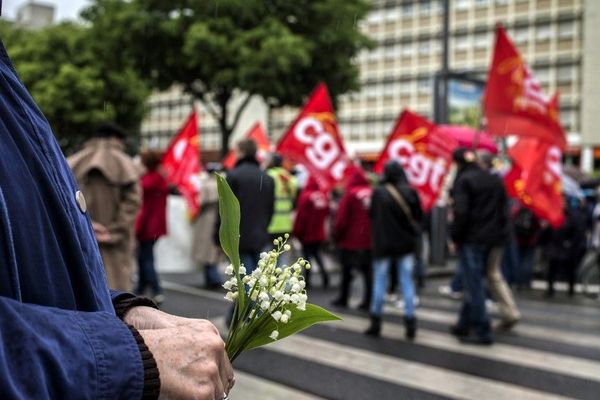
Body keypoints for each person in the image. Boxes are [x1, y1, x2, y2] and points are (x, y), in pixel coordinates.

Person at [0, 33, 233, 398]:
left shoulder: (23, 106)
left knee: (141, 271)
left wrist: (119, 309)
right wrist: (130, 356)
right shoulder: (125, 168)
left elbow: (27, 272)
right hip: (115, 240)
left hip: (95, 249)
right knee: (144, 265)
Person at [68, 122, 141, 291]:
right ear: (116, 138)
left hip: (80, 238)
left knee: (82, 291)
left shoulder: (74, 161)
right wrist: (113, 231)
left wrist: (86, 224)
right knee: (115, 293)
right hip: (114, 242)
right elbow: (132, 203)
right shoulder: (125, 164)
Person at [450, 148, 510, 345]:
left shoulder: (464, 181)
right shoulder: (495, 180)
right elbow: (504, 212)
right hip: (492, 239)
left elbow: (461, 213)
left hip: (472, 238)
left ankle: (483, 330)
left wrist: (455, 238)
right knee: (475, 281)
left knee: (474, 284)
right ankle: (464, 323)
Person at [365, 160, 423, 340]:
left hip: (383, 244)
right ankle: (410, 320)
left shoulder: (379, 192)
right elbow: (419, 216)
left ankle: (376, 321)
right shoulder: (410, 191)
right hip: (405, 244)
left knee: (380, 282)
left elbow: (371, 215)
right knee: (406, 282)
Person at [225, 138, 274, 273]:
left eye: (236, 151)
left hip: (239, 234)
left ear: (243, 152)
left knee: (244, 275)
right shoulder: (267, 177)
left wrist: (219, 234)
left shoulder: (233, 175)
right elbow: (271, 208)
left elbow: (225, 210)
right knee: (260, 277)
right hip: (260, 232)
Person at [332, 166, 373, 310]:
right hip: (369, 240)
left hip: (350, 241)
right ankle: (368, 301)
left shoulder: (350, 194)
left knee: (347, 271)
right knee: (368, 273)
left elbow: (341, 219)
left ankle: (344, 298)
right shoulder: (372, 193)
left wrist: (337, 235)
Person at [135, 149, 169, 303]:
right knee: (143, 257)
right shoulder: (161, 178)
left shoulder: (146, 181)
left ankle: (156, 289)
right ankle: (140, 287)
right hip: (156, 224)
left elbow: (143, 207)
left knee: (146, 258)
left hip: (147, 224)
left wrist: (138, 226)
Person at [293, 175, 330, 289]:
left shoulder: (305, 196)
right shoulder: (322, 196)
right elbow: (327, 212)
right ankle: (325, 277)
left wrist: (297, 231)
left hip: (307, 233)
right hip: (319, 232)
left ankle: (307, 281)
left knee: (306, 258)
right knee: (317, 255)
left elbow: (301, 216)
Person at [192, 165, 223, 289]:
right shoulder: (222, 185)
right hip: (218, 216)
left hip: (206, 219)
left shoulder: (205, 185)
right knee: (214, 250)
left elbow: (200, 202)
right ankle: (214, 277)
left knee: (206, 249)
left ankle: (211, 278)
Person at [265, 153, 298, 265]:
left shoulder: (267, 176)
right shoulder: (290, 179)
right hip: (286, 223)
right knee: (281, 255)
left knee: (268, 257)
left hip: (270, 223)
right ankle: (284, 282)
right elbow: (294, 198)